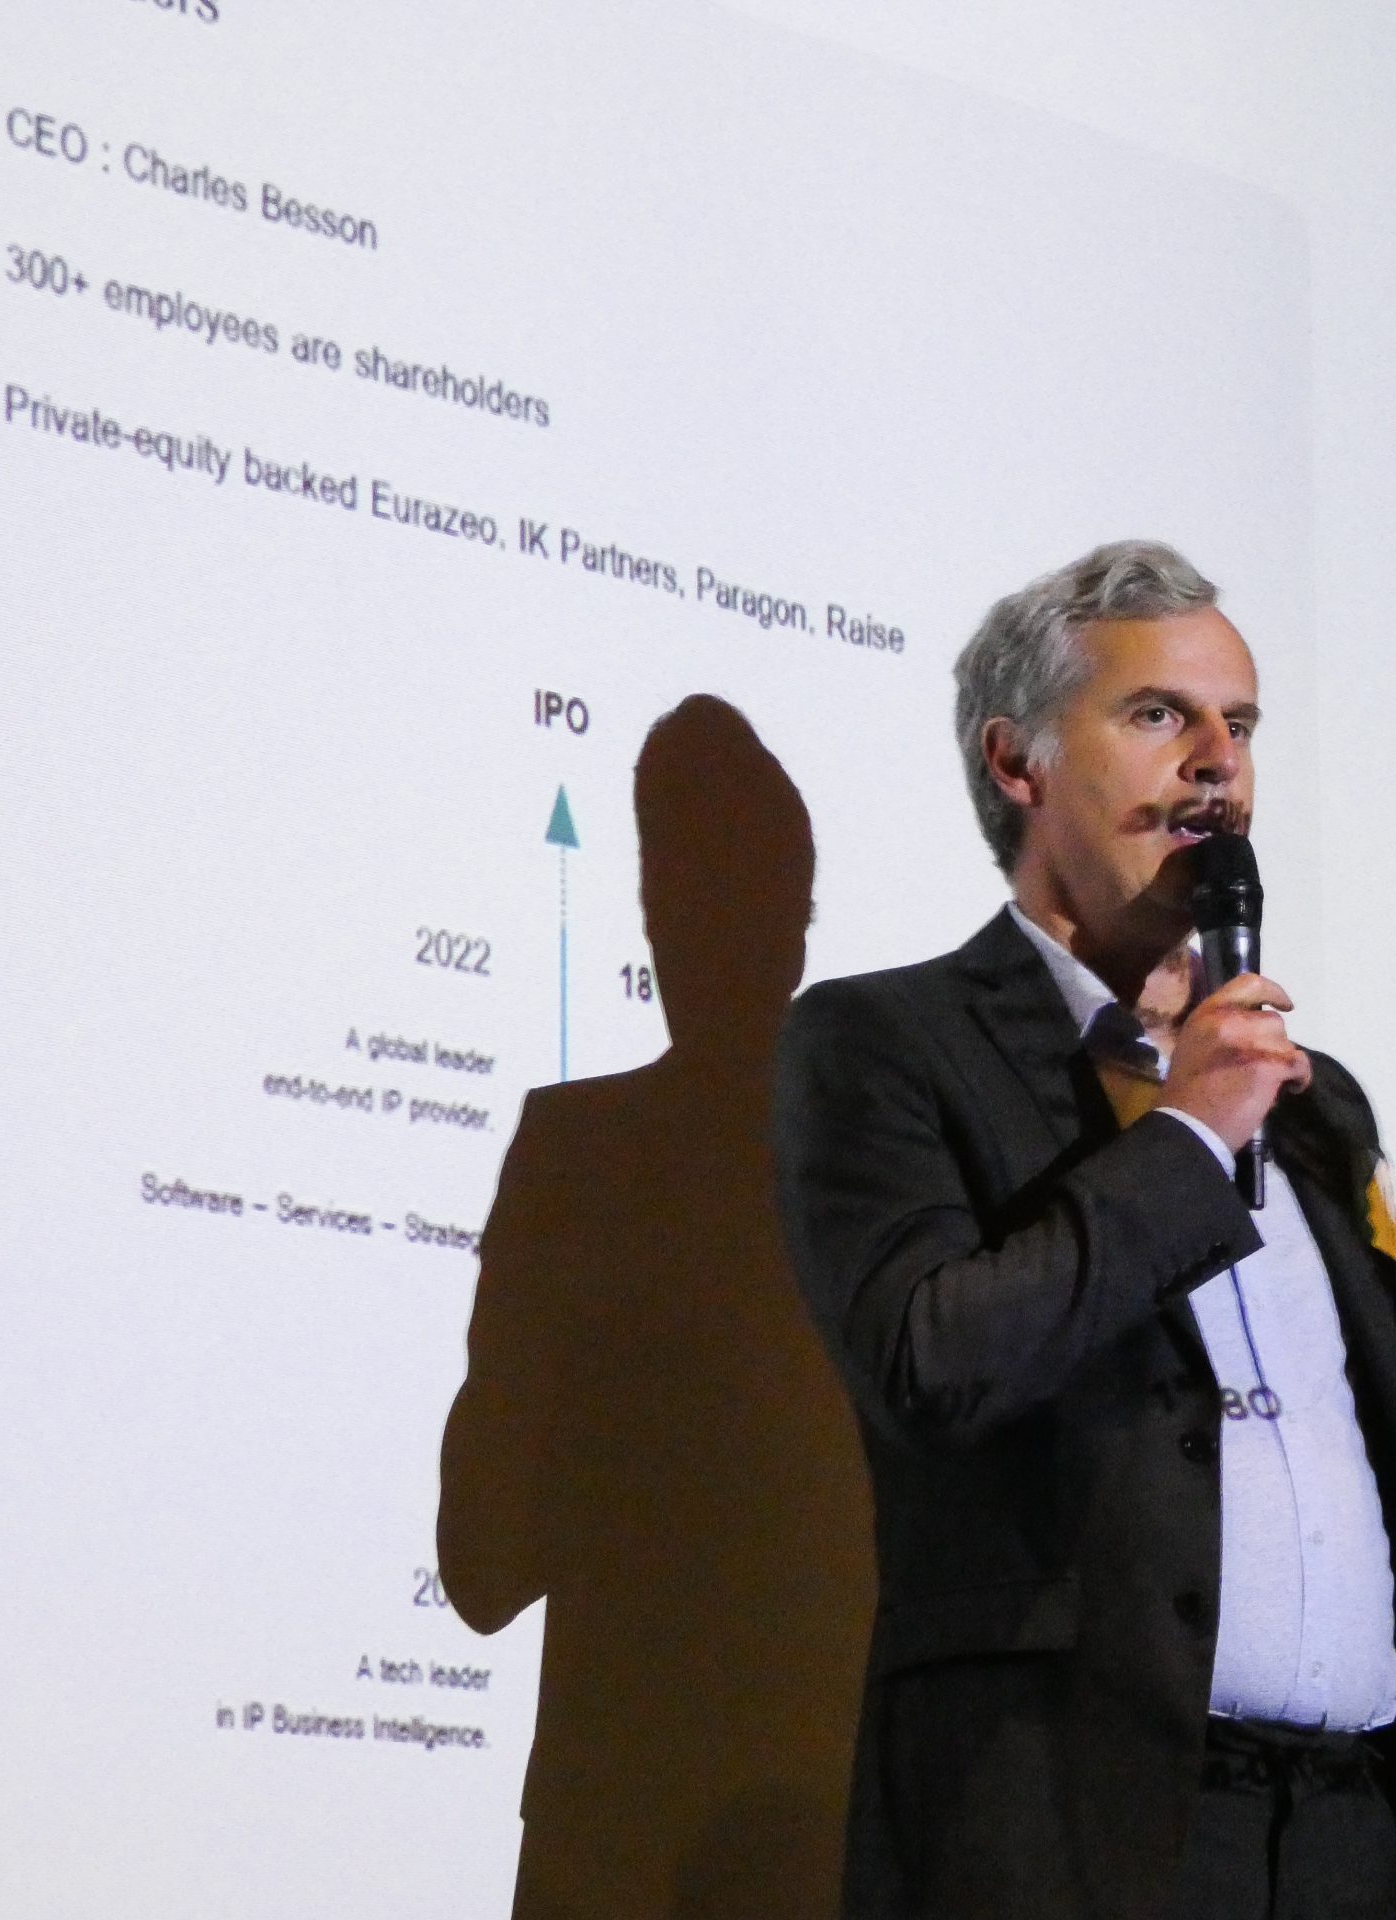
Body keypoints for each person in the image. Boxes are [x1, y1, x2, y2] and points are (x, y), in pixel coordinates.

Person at [772, 540, 1396, 1920]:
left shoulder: (1312, 1102)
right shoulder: (888, 1044)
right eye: (1157, 714)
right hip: (1085, 1836)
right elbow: (929, 1363)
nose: (1216, 763)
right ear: (1016, 761)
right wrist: (1186, 1141)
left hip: (1354, 1838)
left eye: (1238, 725)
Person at [440, 697, 875, 1919]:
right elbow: (479, 1560)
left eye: (685, 898)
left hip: (646, 1829)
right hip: (773, 1829)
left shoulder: (578, 1160)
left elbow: (487, 1550)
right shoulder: (888, 1172)